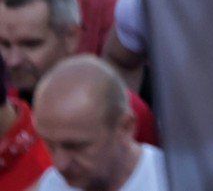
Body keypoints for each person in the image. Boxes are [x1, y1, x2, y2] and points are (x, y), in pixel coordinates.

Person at [32, 56, 163, 191]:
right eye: (50, 146)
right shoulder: (52, 185)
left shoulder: (172, 180)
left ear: (125, 127)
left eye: (75, 146)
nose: (60, 164)